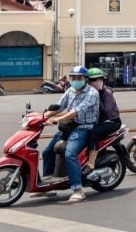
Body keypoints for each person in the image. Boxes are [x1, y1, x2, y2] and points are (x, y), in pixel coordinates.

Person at [37, 65, 99, 203]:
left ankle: (78, 190)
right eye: (73, 78)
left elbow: (76, 111)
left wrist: (58, 119)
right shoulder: (70, 90)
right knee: (47, 151)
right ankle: (48, 186)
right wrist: (40, 117)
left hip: (84, 127)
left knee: (70, 154)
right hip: (69, 126)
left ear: (86, 79)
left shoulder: (92, 93)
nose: (76, 80)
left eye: (79, 78)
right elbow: (59, 107)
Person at [83, 67, 122, 182]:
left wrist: (96, 98)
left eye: (100, 79)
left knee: (93, 132)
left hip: (112, 122)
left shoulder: (106, 93)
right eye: (94, 80)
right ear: (88, 82)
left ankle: (91, 163)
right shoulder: (88, 93)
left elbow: (107, 112)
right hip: (98, 122)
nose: (98, 82)